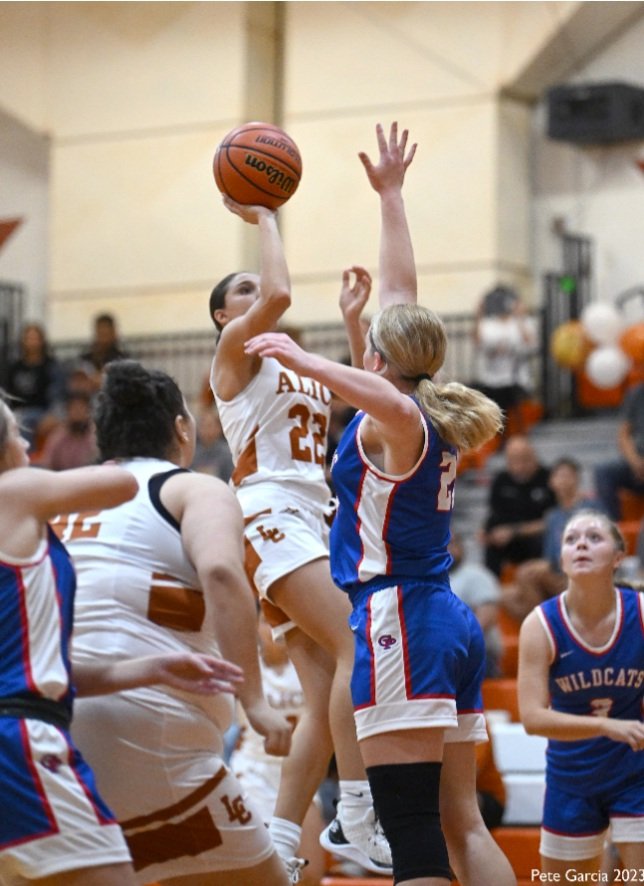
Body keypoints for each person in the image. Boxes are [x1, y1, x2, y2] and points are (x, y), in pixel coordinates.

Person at [246, 121, 516, 886]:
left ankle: (357, 814)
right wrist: (391, 196)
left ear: (377, 360)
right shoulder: (423, 404)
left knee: (414, 832)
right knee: (461, 824)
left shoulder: (397, 419)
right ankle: (359, 815)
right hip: (444, 619)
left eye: (367, 345)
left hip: (400, 618)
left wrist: (302, 356)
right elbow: (401, 297)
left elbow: (383, 382)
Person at [208, 192, 390, 877]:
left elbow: (367, 396)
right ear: (225, 316)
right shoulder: (235, 352)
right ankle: (356, 813)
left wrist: (352, 322)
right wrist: (264, 215)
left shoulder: (290, 362)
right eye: (242, 290)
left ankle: (284, 844)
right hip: (270, 514)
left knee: (322, 698)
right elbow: (279, 292)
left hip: (311, 520)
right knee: (359, 646)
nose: (257, 293)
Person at [64, 360, 293, 886]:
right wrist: (254, 701)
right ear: (182, 429)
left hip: (53, 735)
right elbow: (221, 572)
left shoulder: (57, 498)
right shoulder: (195, 489)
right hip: (152, 737)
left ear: (101, 434)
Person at [0, 394, 244, 885]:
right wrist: (123, 449)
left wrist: (151, 668)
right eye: (14, 433)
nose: (26, 444)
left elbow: (46, 671)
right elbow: (123, 483)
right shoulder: (15, 492)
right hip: (19, 741)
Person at [517, 510, 644, 880]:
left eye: (594, 537)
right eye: (571, 540)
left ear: (618, 557)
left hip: (635, 772)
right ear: (561, 559)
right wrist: (606, 726)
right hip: (571, 779)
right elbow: (532, 718)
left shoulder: (639, 613)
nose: (581, 545)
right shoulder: (540, 624)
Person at [231, 614, 327, 886]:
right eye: (266, 621)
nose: (274, 629)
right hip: (254, 771)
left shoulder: (312, 665)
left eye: (281, 620)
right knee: (263, 873)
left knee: (312, 874)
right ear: (255, 626)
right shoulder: (244, 664)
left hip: (300, 772)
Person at [481, 434, 556, 577]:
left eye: (524, 459)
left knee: (542, 541)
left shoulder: (549, 479)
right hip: (509, 538)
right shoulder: (501, 480)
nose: (519, 465)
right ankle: (491, 586)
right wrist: (486, 531)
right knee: (492, 544)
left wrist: (515, 531)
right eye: (513, 460)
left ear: (534, 456)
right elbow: (494, 513)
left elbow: (554, 520)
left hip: (536, 536)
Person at [472, 284, 538, 432]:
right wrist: (478, 315)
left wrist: (520, 316)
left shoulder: (522, 323)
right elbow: (478, 344)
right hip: (493, 379)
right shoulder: (488, 325)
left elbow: (531, 345)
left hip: (516, 379)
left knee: (514, 409)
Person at [448, 531, 503, 677]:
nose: (446, 549)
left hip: (475, 655)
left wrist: (448, 641)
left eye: (450, 544)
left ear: (461, 547)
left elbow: (486, 619)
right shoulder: (429, 580)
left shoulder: (476, 574)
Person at [6, 322, 65, 446]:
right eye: (28, 338)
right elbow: (8, 396)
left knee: (24, 422)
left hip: (43, 412)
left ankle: (26, 455)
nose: (32, 342)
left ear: (42, 341)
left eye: (35, 338)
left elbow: (58, 396)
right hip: (18, 412)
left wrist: (53, 414)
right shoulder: (15, 367)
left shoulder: (51, 366)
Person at [543, 457, 603, 572]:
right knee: (528, 573)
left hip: (588, 565)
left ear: (577, 479)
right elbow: (549, 556)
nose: (563, 480)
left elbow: (605, 540)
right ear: (551, 482)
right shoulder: (552, 516)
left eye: (567, 476)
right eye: (559, 476)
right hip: (560, 569)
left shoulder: (592, 507)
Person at [594, 382, 644, 520]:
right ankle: (613, 526)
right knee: (603, 472)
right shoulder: (637, 393)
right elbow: (623, 435)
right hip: (638, 465)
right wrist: (635, 462)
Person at [37, 390, 98, 470]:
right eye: (74, 409)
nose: (78, 413)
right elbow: (47, 465)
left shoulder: (96, 437)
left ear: (89, 411)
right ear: (68, 411)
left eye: (81, 408)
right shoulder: (58, 437)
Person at [78, 313, 128, 391]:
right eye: (100, 334)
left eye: (106, 334)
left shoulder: (124, 360)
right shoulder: (85, 359)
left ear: (114, 333)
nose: (103, 339)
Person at [191, 405, 234, 481]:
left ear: (218, 428)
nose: (206, 430)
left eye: (209, 426)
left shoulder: (227, 453)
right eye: (202, 426)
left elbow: (231, 479)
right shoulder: (193, 453)